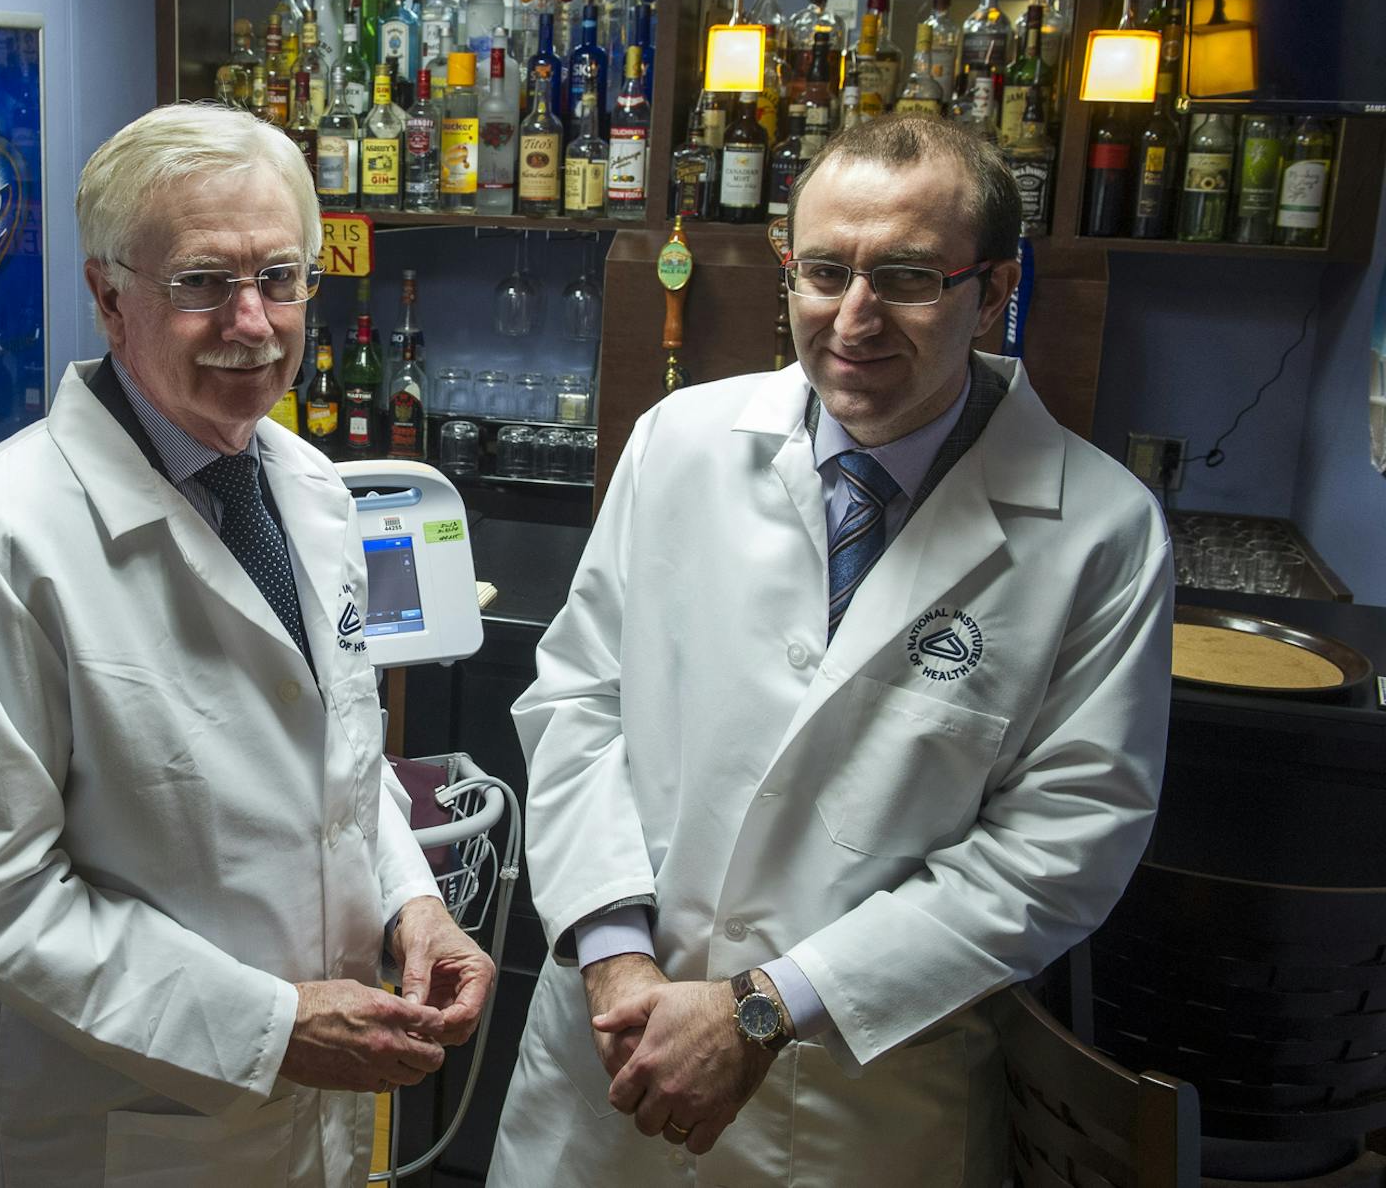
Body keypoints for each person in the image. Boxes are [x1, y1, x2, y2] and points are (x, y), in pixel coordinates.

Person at [488, 116, 1172, 1187]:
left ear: (993, 291)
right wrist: (616, 957)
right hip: (609, 1058)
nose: (854, 318)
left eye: (906, 277)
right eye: (823, 271)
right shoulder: (680, 442)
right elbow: (577, 703)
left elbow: (1057, 853)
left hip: (857, 1107)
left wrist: (767, 1009)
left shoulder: (1099, 529)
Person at [0, 102, 493, 1188]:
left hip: (307, 1112)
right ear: (110, 297)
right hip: (123, 1129)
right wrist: (271, 1026)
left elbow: (341, 772)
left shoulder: (303, 486)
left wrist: (415, 903)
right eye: (203, 283)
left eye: (283, 278)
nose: (253, 323)